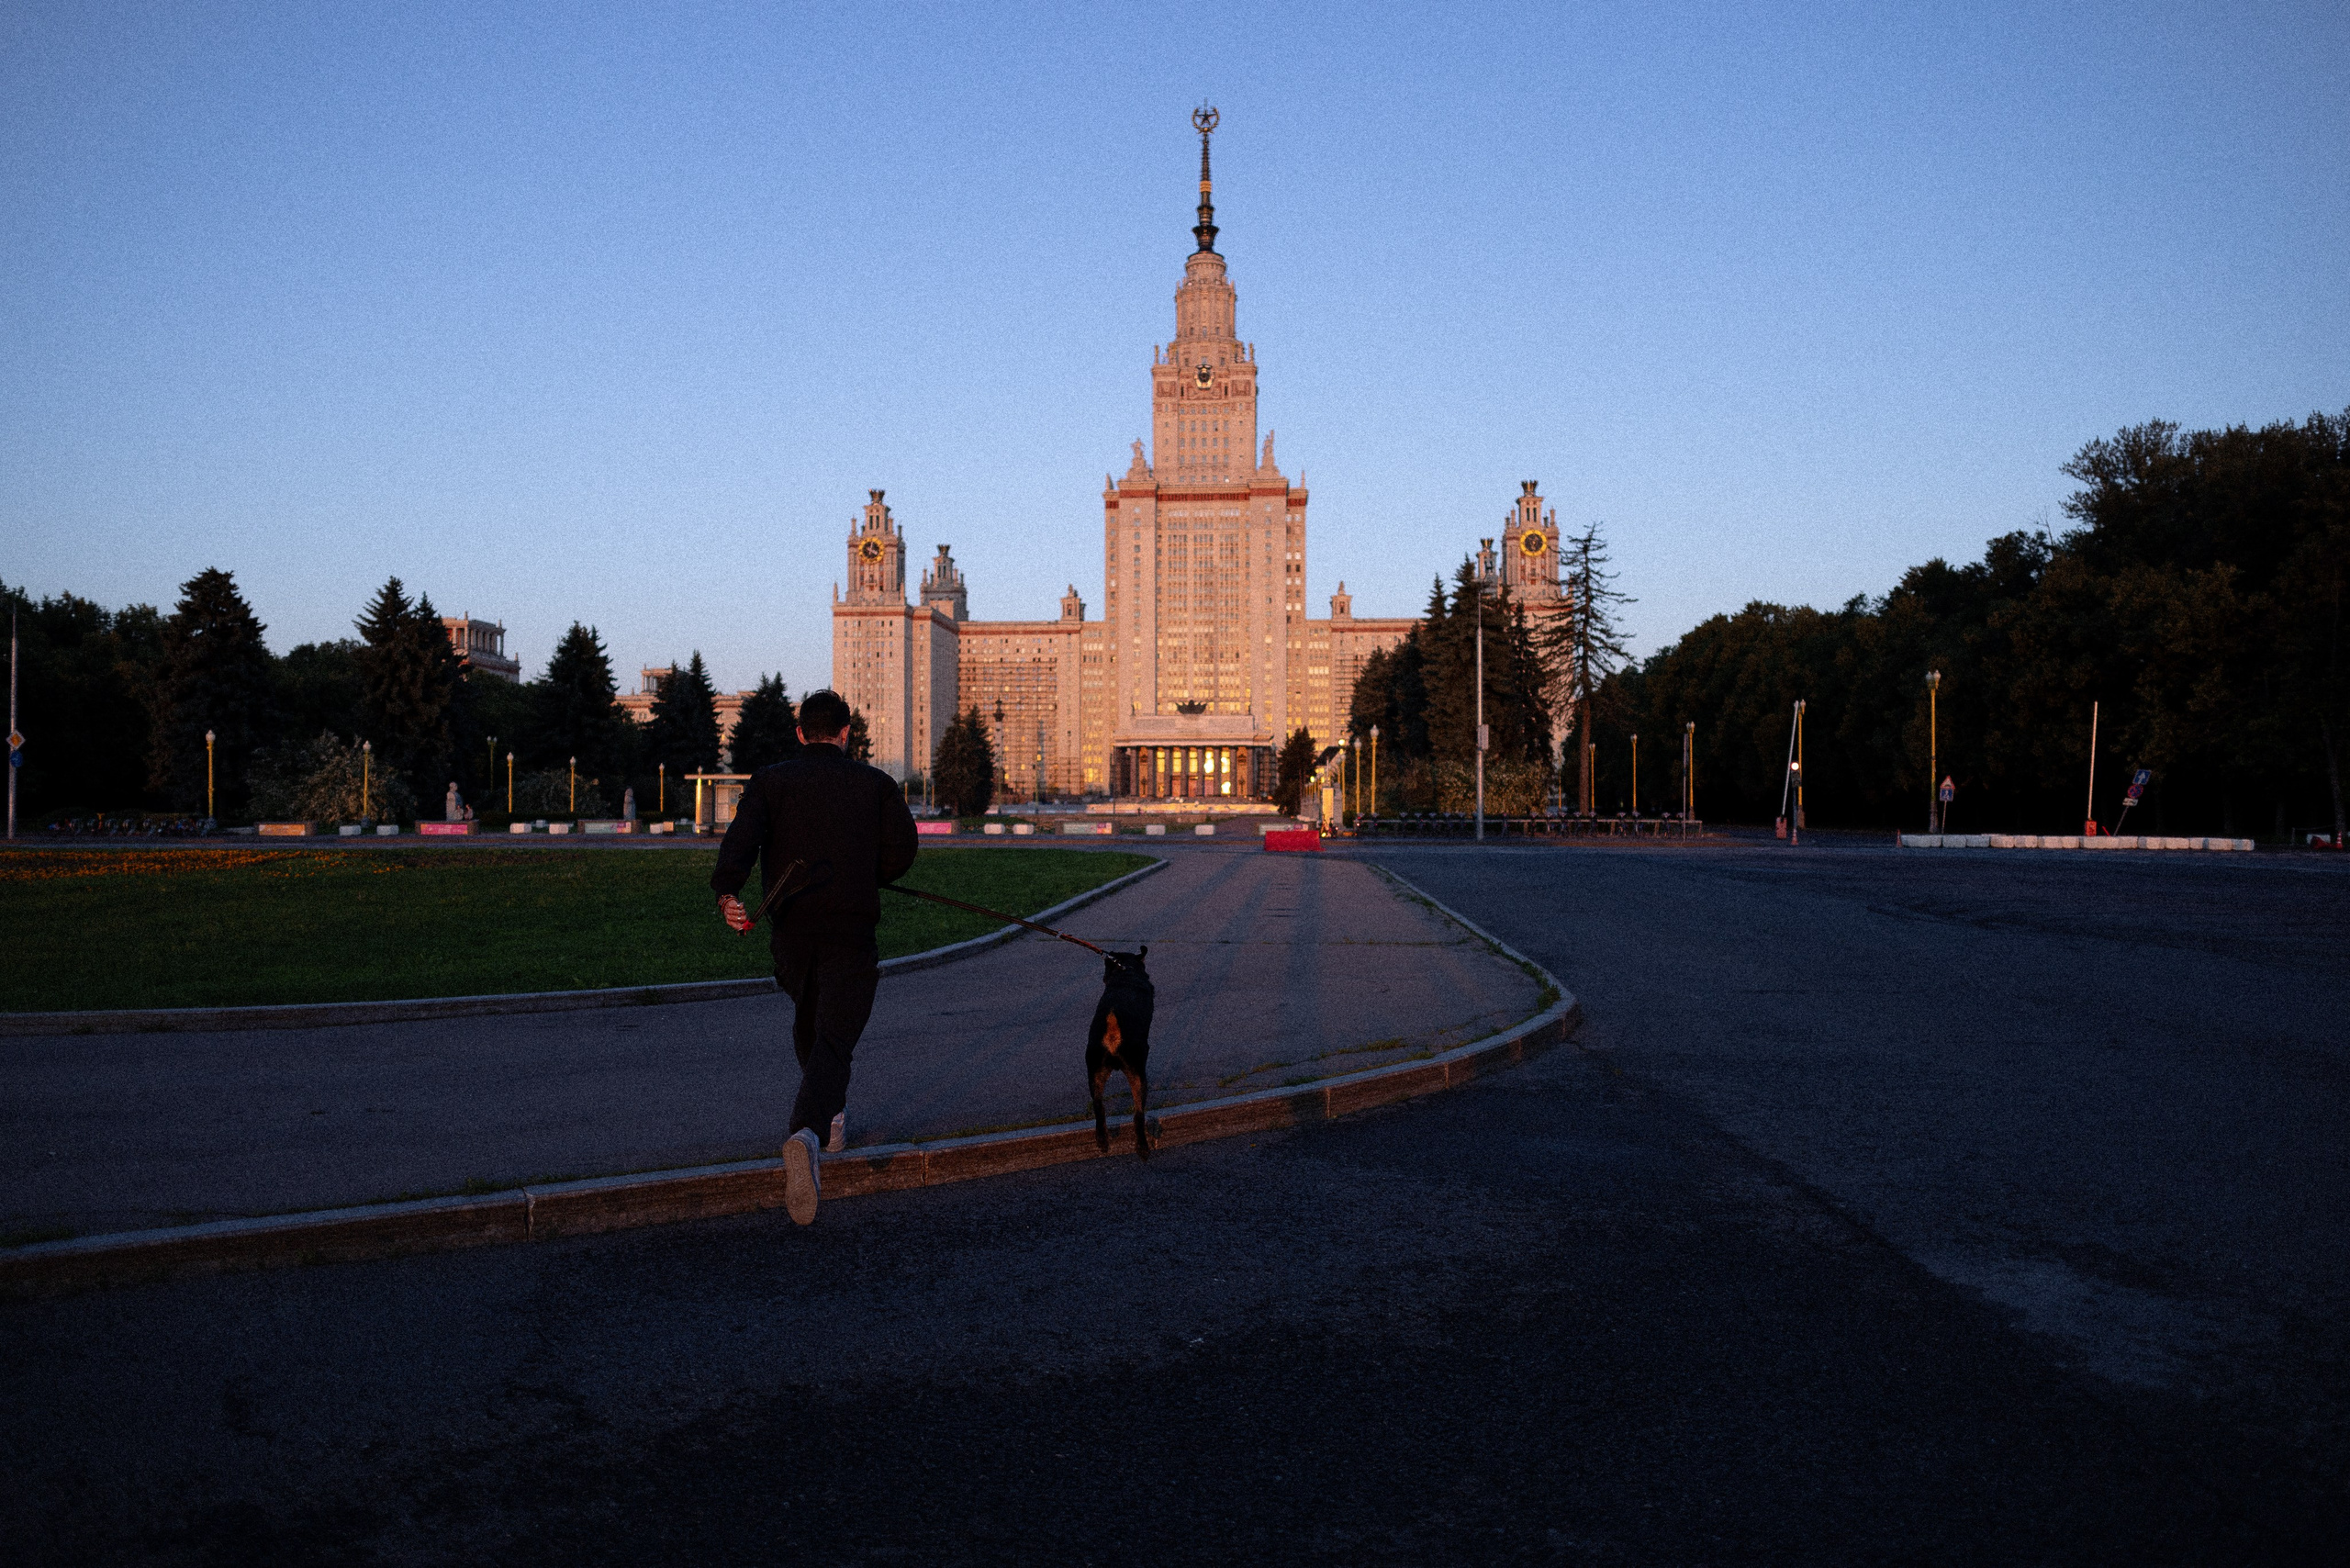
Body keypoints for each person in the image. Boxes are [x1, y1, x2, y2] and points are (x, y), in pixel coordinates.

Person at [712, 689, 917, 1225]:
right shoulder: (876, 784)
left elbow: (741, 840)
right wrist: (872, 873)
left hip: (792, 931)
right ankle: (808, 1129)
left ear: (801, 733)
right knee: (834, 1034)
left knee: (812, 1016)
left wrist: (727, 894)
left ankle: (832, 1119)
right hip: (850, 928)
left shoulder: (771, 781)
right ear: (847, 734)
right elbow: (903, 852)